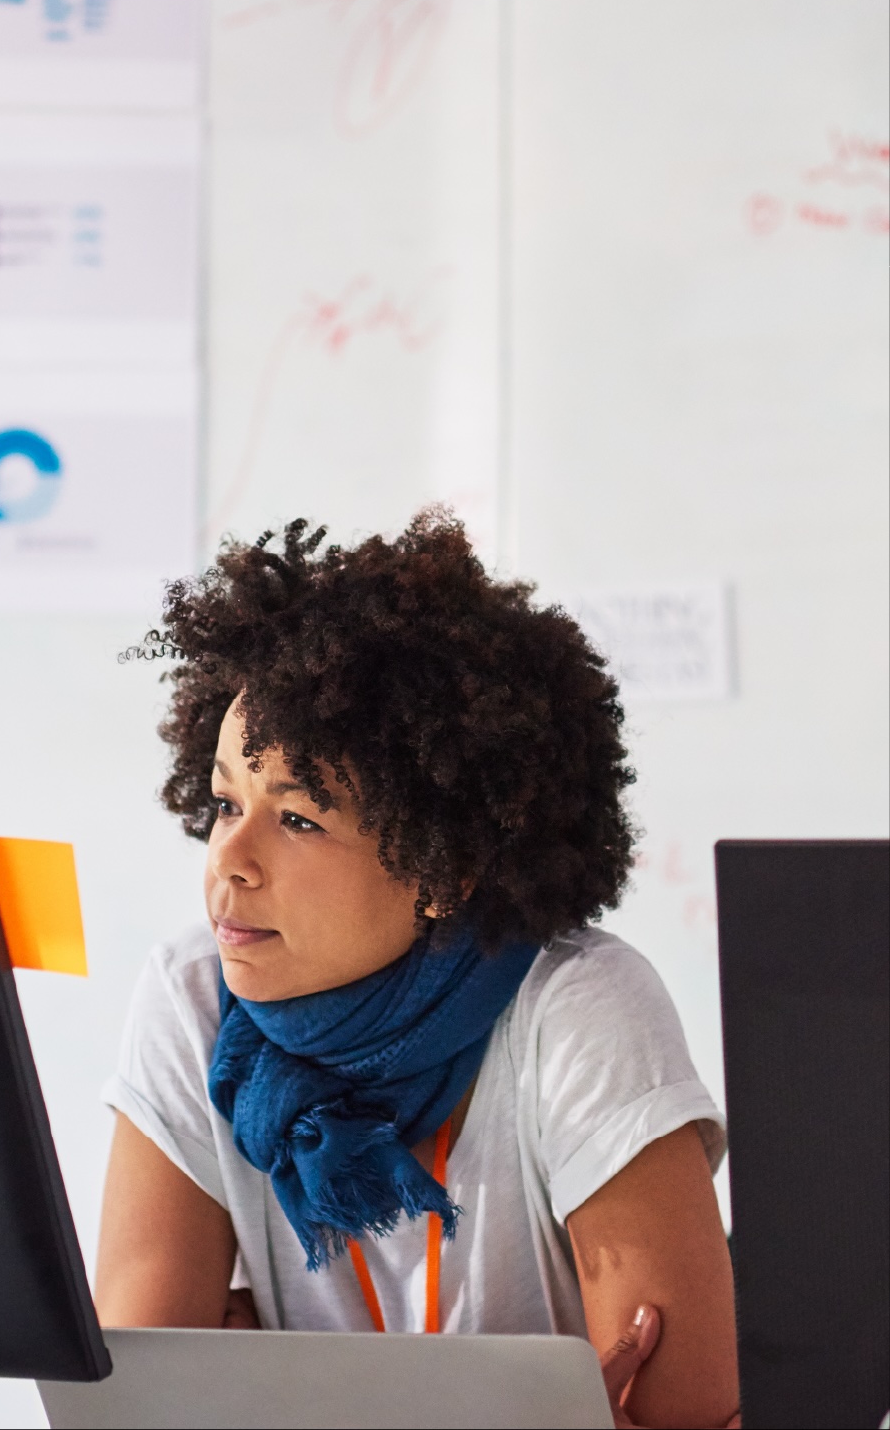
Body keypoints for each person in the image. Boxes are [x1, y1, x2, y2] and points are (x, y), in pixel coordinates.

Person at [97, 510, 739, 1429]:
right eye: (224, 802)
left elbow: (684, 1419)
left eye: (300, 818)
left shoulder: (579, 1008)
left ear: (442, 869)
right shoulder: (192, 998)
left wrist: (266, 1392)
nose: (226, 859)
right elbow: (135, 1413)